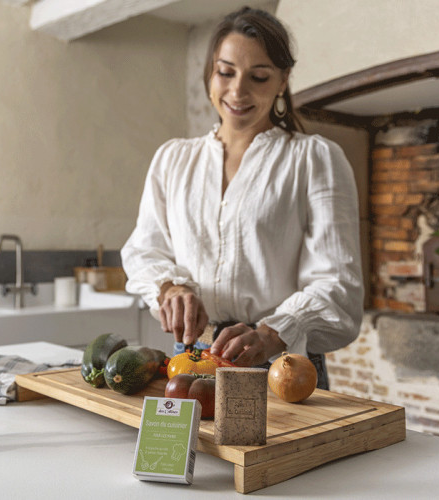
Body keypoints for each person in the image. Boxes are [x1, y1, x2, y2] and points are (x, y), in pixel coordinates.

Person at [120, 7, 363, 389]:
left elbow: (339, 285)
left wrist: (273, 333)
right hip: (190, 361)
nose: (237, 91)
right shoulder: (172, 159)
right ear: (210, 73)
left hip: (281, 367)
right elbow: (143, 251)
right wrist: (170, 288)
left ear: (283, 81)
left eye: (259, 76)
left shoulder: (315, 159)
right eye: (225, 72)